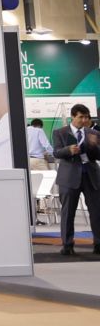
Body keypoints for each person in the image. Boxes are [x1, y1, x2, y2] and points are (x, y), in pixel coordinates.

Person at [52, 105, 100, 258]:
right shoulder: (60, 132)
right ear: (73, 116)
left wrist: (93, 146)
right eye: (81, 117)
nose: (84, 120)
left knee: (97, 212)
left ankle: (98, 244)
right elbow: (56, 152)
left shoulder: (94, 133)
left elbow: (98, 155)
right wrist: (68, 150)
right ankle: (67, 245)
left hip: (91, 176)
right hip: (69, 177)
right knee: (68, 213)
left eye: (87, 117)